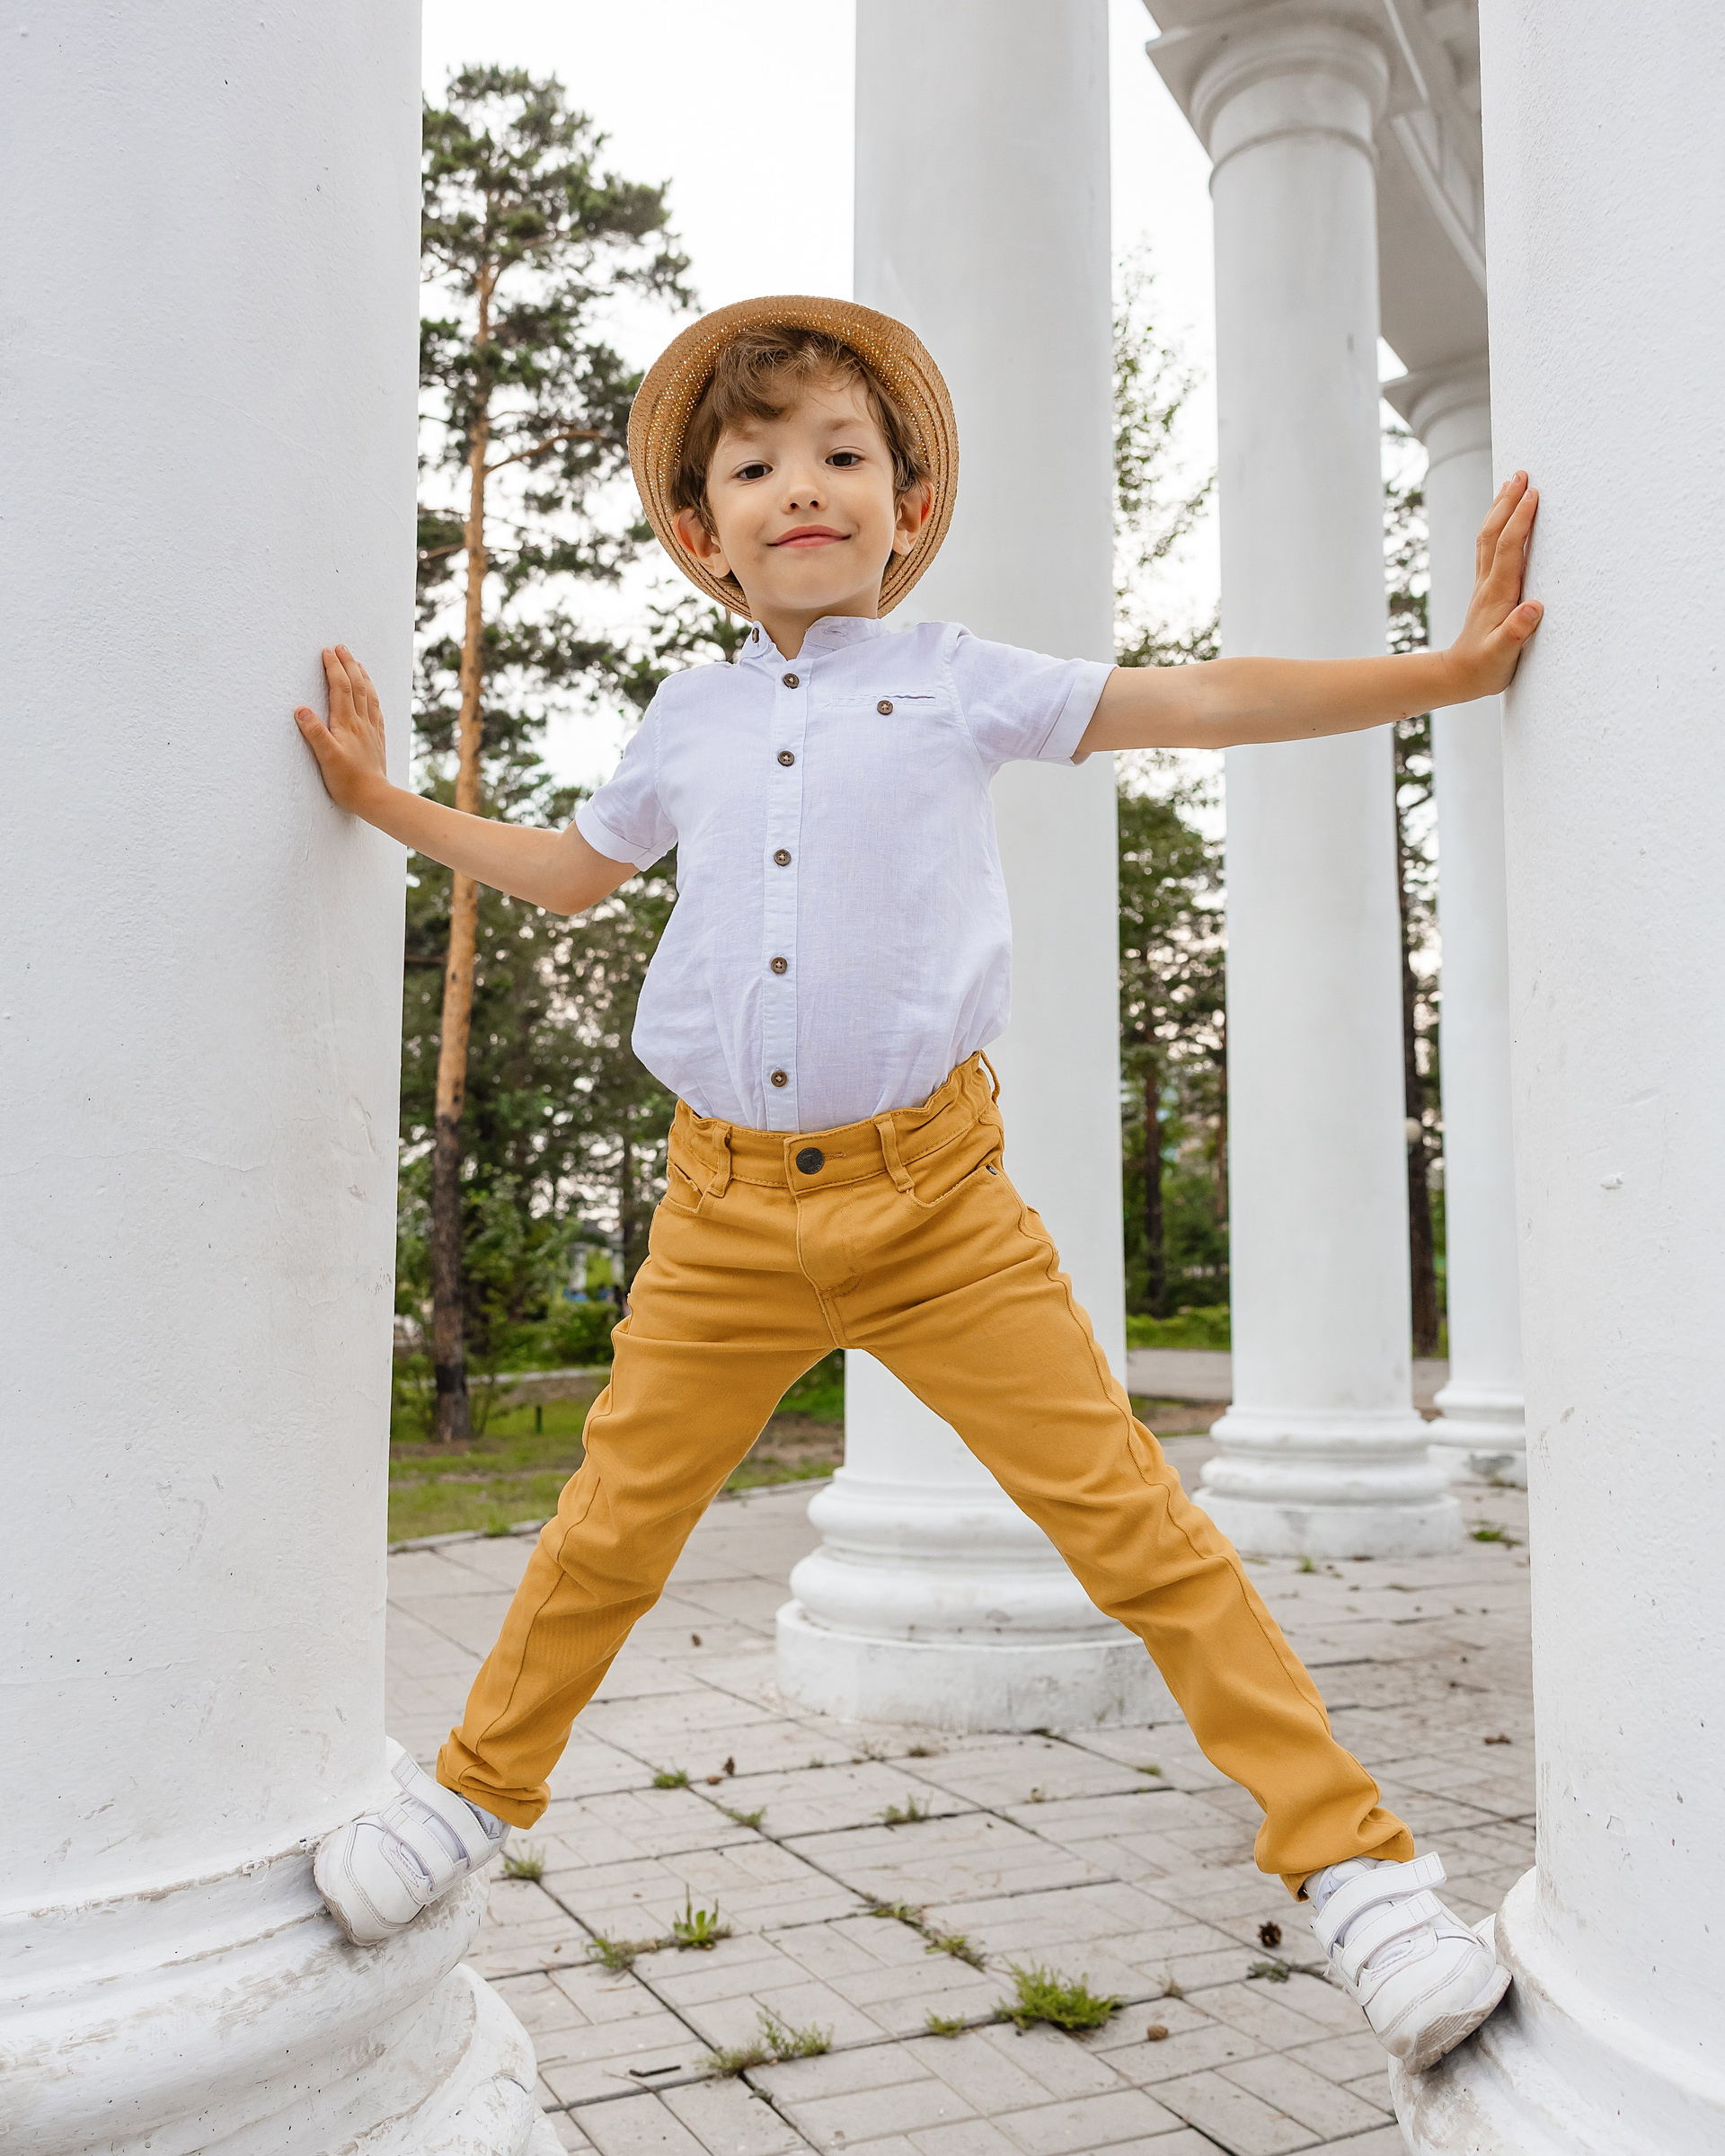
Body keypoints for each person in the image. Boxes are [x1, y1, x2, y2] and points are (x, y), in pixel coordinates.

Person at [296, 297, 1541, 2071]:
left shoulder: (962, 679)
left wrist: (1447, 673)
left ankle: (1361, 1870)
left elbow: (1203, 698)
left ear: (910, 503)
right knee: (607, 1530)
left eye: (841, 455)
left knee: (1137, 1528)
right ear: (700, 531)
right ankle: (471, 1798)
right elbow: (567, 875)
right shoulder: (686, 721)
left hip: (937, 1207)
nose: (801, 486)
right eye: (755, 465)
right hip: (721, 1217)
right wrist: (381, 801)